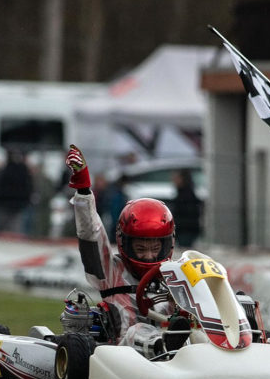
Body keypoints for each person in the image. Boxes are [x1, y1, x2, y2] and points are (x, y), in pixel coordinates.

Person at [65, 144, 185, 358]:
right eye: (140, 248)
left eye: (155, 248)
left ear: (168, 243)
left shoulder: (174, 275)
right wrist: (84, 191)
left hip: (180, 351)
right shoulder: (111, 271)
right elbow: (91, 234)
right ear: (125, 243)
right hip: (120, 353)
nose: (149, 256)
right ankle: (162, 347)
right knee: (138, 330)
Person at [171, 168, 203, 248]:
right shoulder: (181, 193)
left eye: (176, 178)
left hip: (186, 231)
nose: (174, 180)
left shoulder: (187, 195)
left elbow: (189, 214)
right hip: (183, 230)